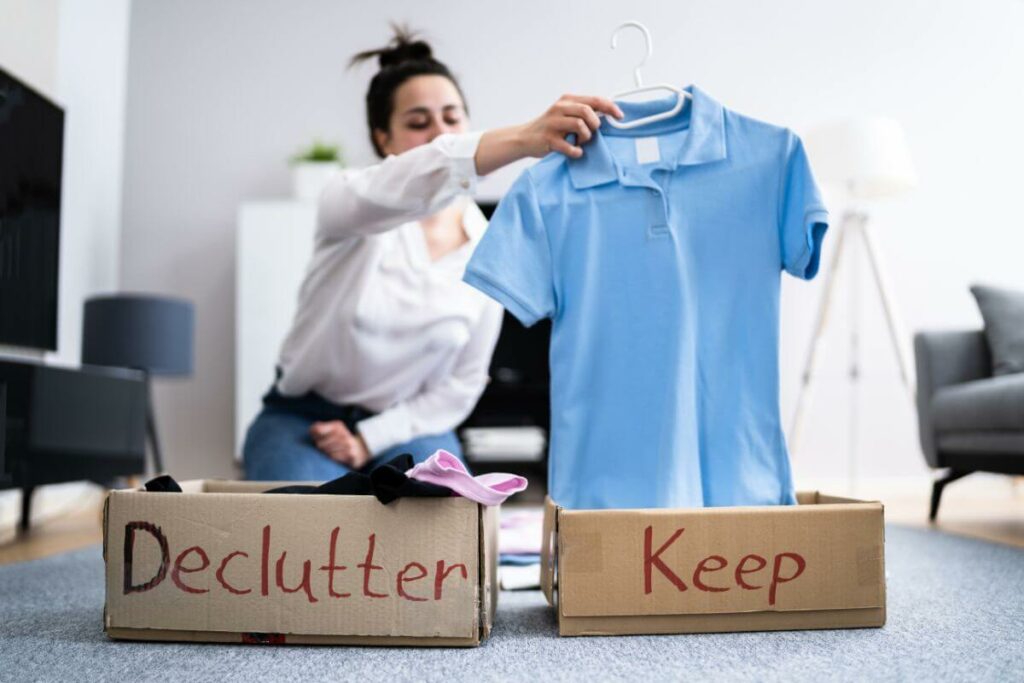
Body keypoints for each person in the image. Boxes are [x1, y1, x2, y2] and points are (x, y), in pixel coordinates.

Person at [243, 26, 624, 481]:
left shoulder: (490, 245)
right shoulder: (349, 204)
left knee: (446, 516)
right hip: (301, 420)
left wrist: (370, 438)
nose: (441, 134)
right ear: (383, 139)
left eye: (452, 118)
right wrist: (524, 138)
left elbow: (460, 386)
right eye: (419, 123)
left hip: (405, 428)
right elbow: (429, 170)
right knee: (302, 527)